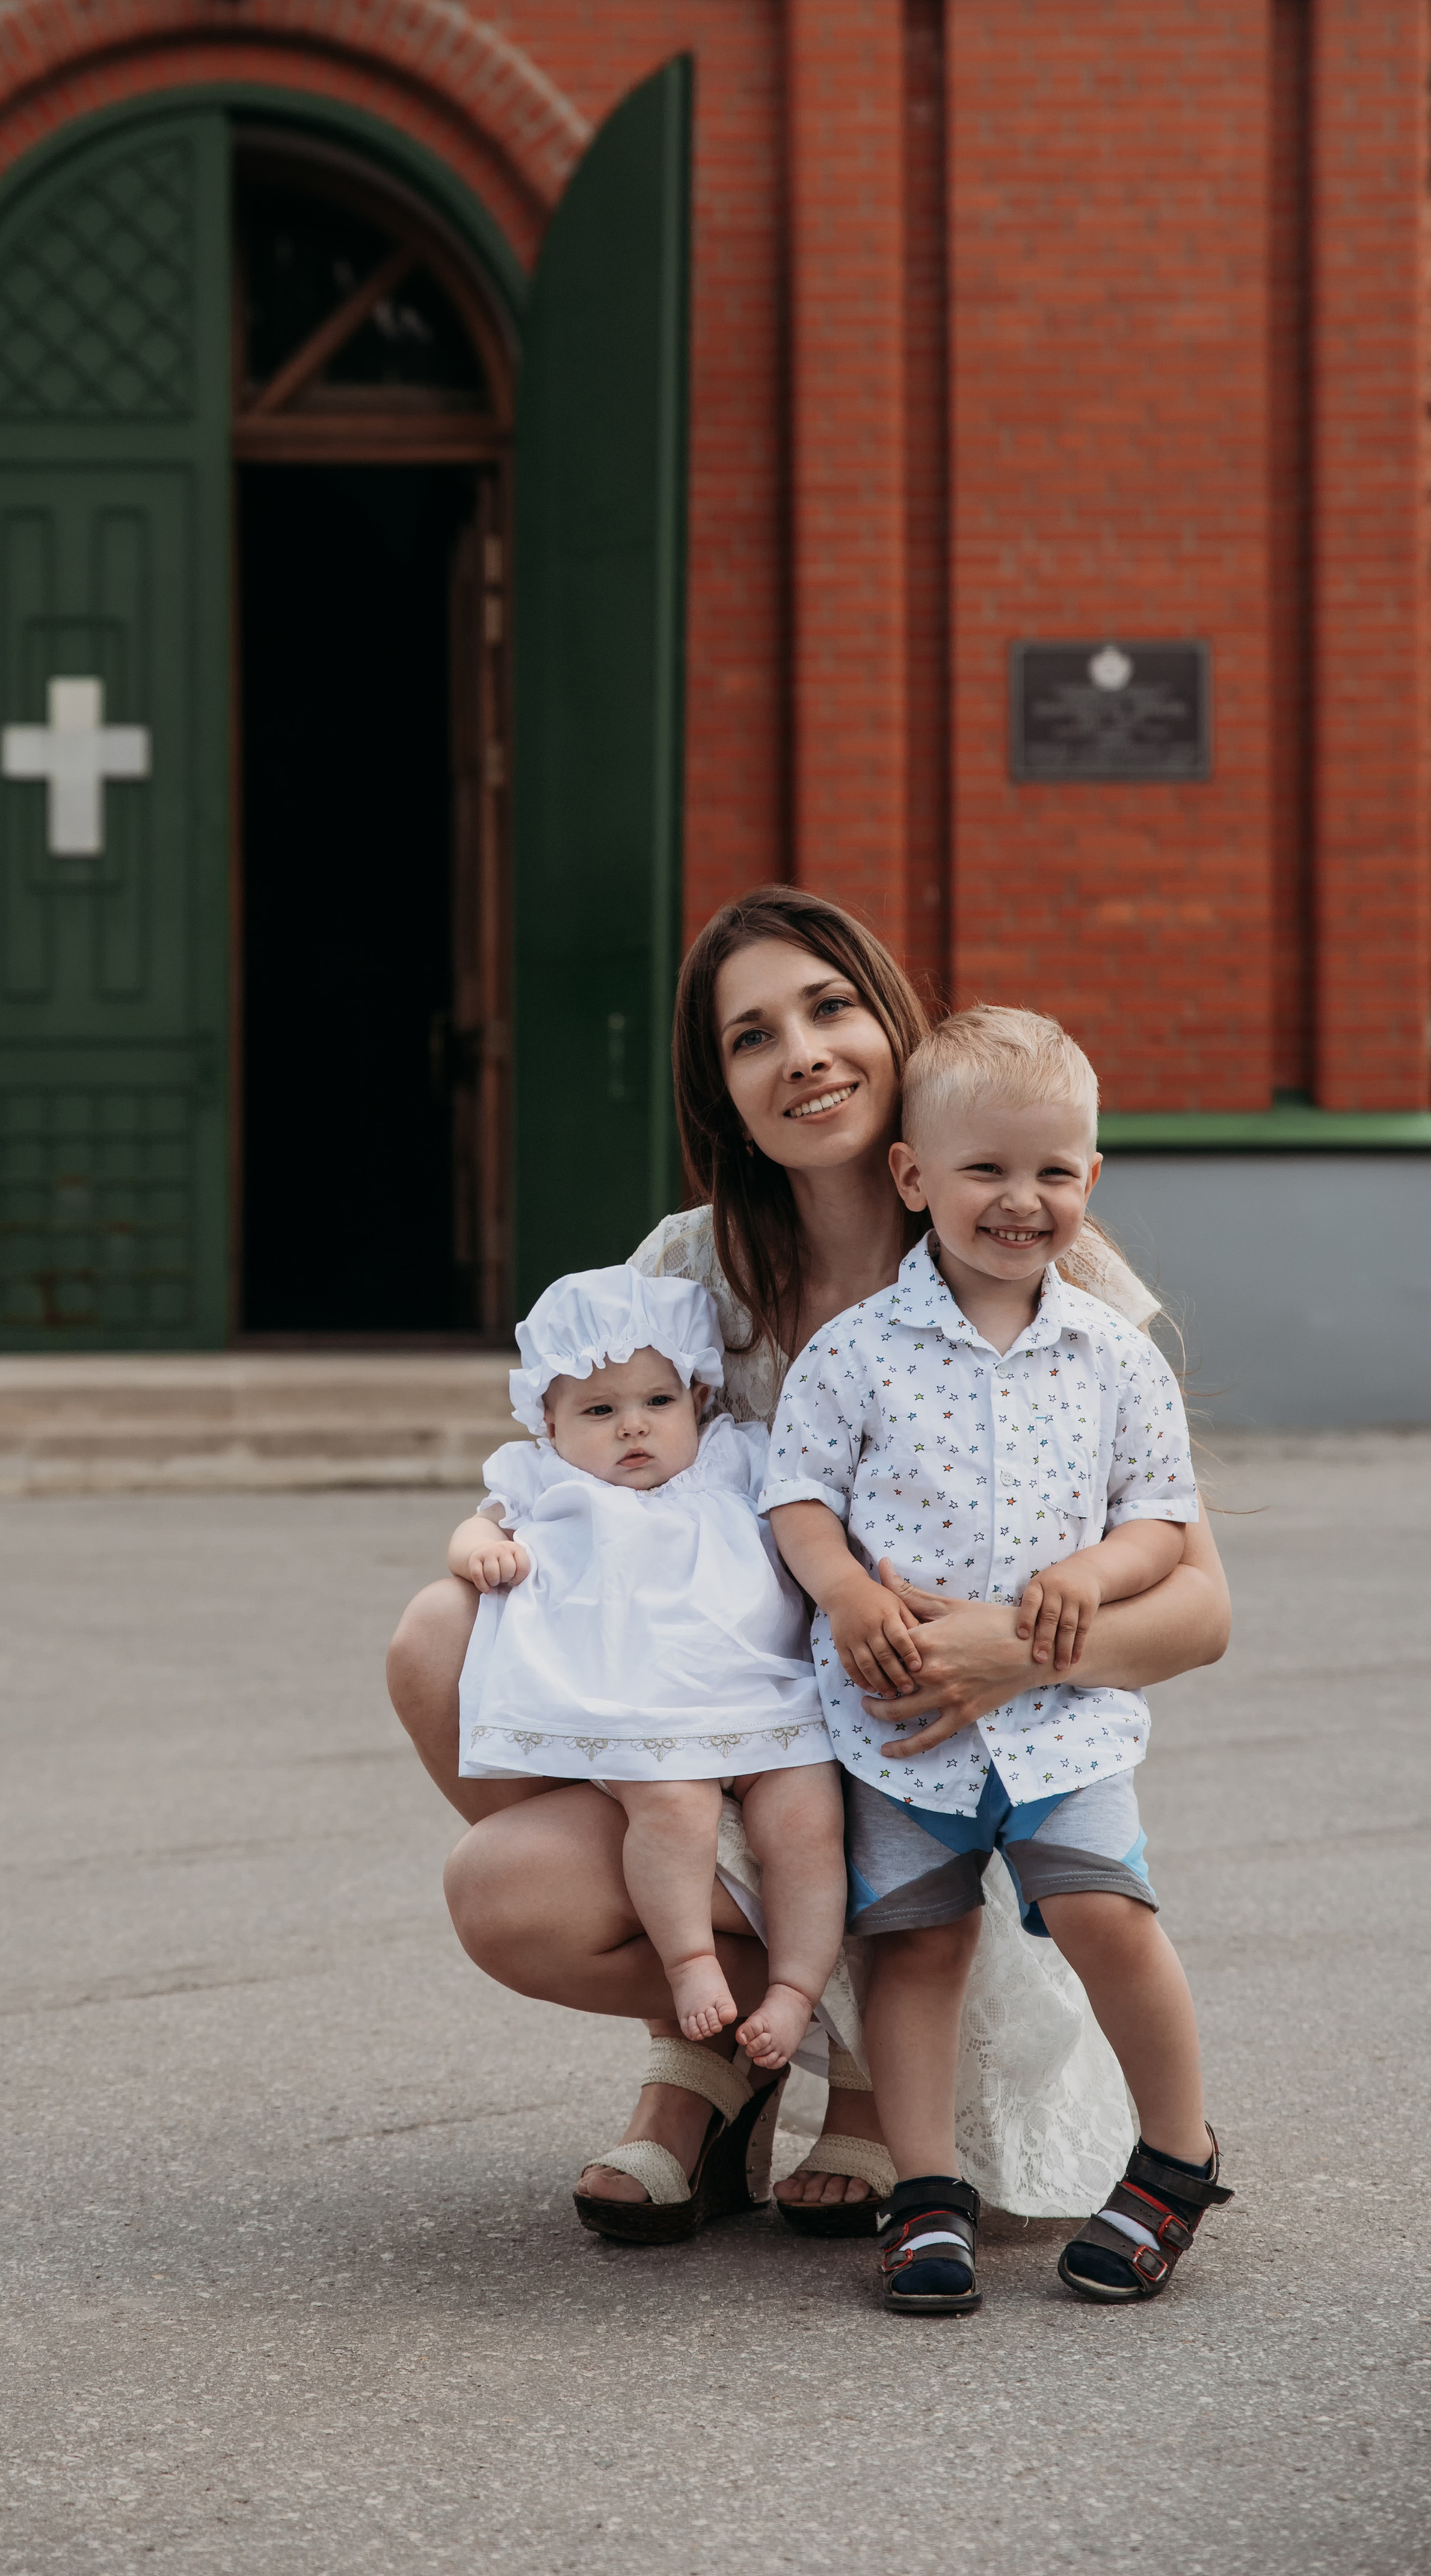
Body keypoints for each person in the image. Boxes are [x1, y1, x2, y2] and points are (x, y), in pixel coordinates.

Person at [387, 887, 1231, 2242]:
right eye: (752, 1036)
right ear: (721, 1090)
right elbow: (592, 1480)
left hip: (929, 1750)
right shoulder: (684, 1271)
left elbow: (1198, 1609)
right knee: (444, 1644)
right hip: (739, 1731)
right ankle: (715, 2048)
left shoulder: (1028, 1252)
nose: (805, 1054)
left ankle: (841, 2070)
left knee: (910, 1851)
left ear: (895, 1028)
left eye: (831, 1007)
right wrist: (499, 1529)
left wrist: (1007, 1649)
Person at [765, 1003, 1232, 2313]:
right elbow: (796, 1491)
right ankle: (925, 2190)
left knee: (1108, 1917)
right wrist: (846, 1587)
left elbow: (1157, 1512)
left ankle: (1177, 2158)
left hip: (1061, 1719)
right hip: (903, 1723)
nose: (1020, 1200)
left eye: (1052, 1170)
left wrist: (1092, 1573)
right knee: (912, 1949)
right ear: (914, 1177)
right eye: (985, 1169)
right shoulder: (855, 1352)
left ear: (1092, 1177)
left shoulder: (1113, 1358)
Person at [449, 1267, 845, 2240]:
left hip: (769, 1700)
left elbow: (811, 1518)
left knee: (806, 1827)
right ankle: (691, 1965)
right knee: (672, 1813)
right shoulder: (543, 1479)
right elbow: (483, 1518)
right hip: (647, 1710)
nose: (632, 1427)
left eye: (658, 1401)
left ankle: (795, 1989)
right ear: (546, 1422)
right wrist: (477, 1549)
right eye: (598, 1409)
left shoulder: (737, 1458)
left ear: (700, 1398)